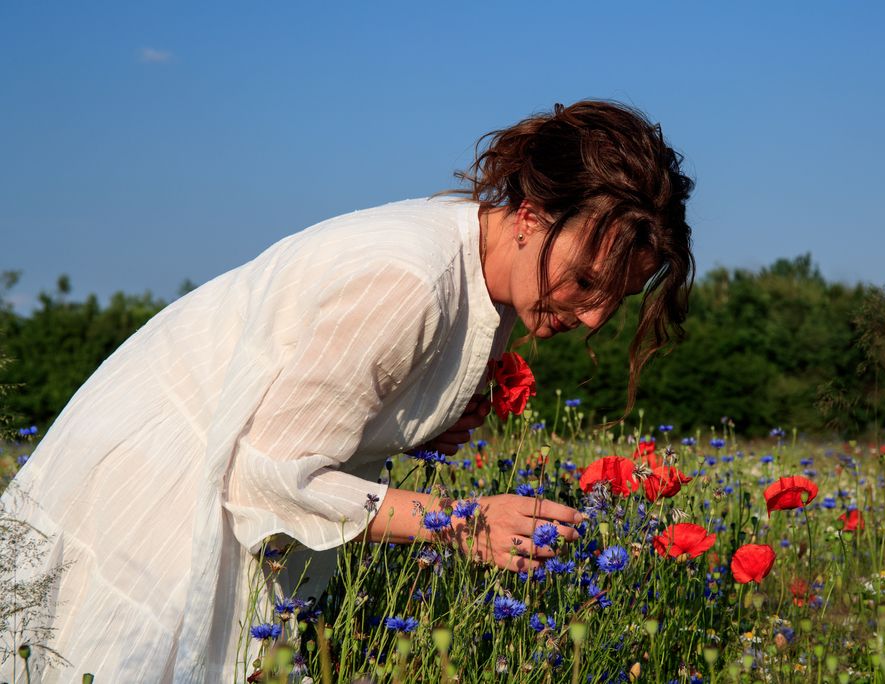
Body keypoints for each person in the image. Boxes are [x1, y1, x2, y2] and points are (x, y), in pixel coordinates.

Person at [0, 100, 694, 682]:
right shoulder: (410, 279)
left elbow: (326, 404)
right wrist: (461, 521)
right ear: (531, 215)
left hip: (186, 470)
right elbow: (269, 470)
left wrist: (423, 418)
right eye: (585, 281)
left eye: (620, 297)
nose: (597, 316)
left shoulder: (475, 261)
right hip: (155, 488)